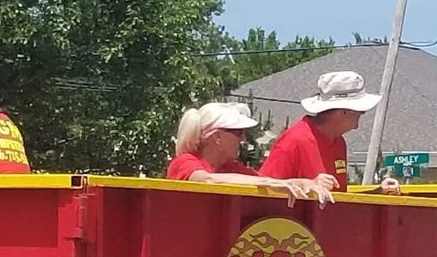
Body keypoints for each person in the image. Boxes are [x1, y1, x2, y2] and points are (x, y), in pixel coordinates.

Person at [260, 70, 398, 193]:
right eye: (361, 111)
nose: (363, 115)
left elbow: (339, 201)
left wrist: (378, 192)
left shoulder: (338, 142)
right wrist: (307, 185)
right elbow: (264, 189)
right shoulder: (294, 140)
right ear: (344, 112)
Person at [166, 102, 326, 203]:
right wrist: (271, 183)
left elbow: (267, 181)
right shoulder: (184, 162)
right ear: (217, 137)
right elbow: (207, 181)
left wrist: (305, 183)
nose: (243, 139)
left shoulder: (231, 168)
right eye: (238, 132)